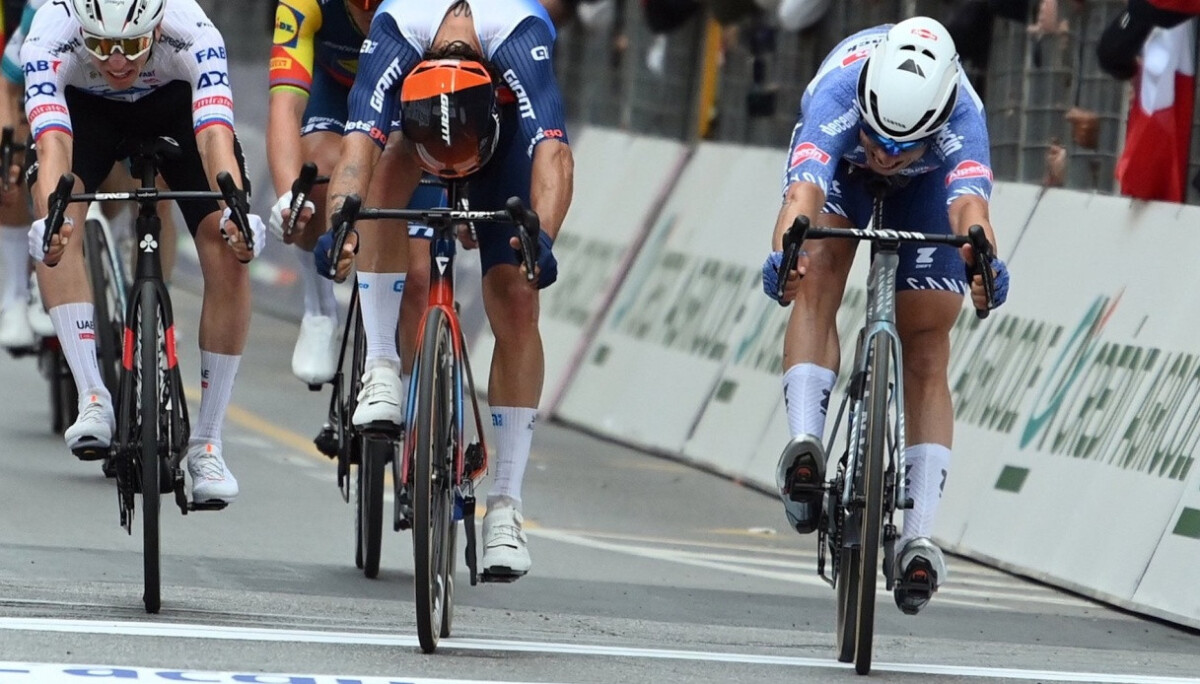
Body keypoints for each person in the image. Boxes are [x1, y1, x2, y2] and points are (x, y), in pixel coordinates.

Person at [761, 16, 1010, 615]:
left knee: (926, 342)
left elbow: (970, 210)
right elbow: (802, 199)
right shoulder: (839, 93)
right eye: (877, 139)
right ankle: (804, 443)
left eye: (901, 147)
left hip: (929, 192)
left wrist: (985, 263)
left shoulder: (963, 118)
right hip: (838, 175)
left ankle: (920, 535)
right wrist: (782, 255)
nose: (885, 156)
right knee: (815, 275)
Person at [319, 0, 573, 579]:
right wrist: (342, 218)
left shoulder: (518, 30)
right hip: (415, 133)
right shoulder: (398, 23)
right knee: (382, 181)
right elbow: (359, 143)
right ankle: (383, 365)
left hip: (498, 142)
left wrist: (545, 239)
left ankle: (505, 507)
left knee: (516, 300)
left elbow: (552, 149)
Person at [21, 0, 265, 504]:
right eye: (101, 45)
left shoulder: (192, 30)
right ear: (80, 30)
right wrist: (52, 219)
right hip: (86, 113)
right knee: (56, 227)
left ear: (155, 27)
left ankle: (208, 444)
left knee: (227, 244)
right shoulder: (48, 33)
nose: (115, 62)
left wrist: (236, 211)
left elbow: (215, 136)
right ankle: (93, 397)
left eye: (131, 46)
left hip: (173, 107)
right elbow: (52, 148)